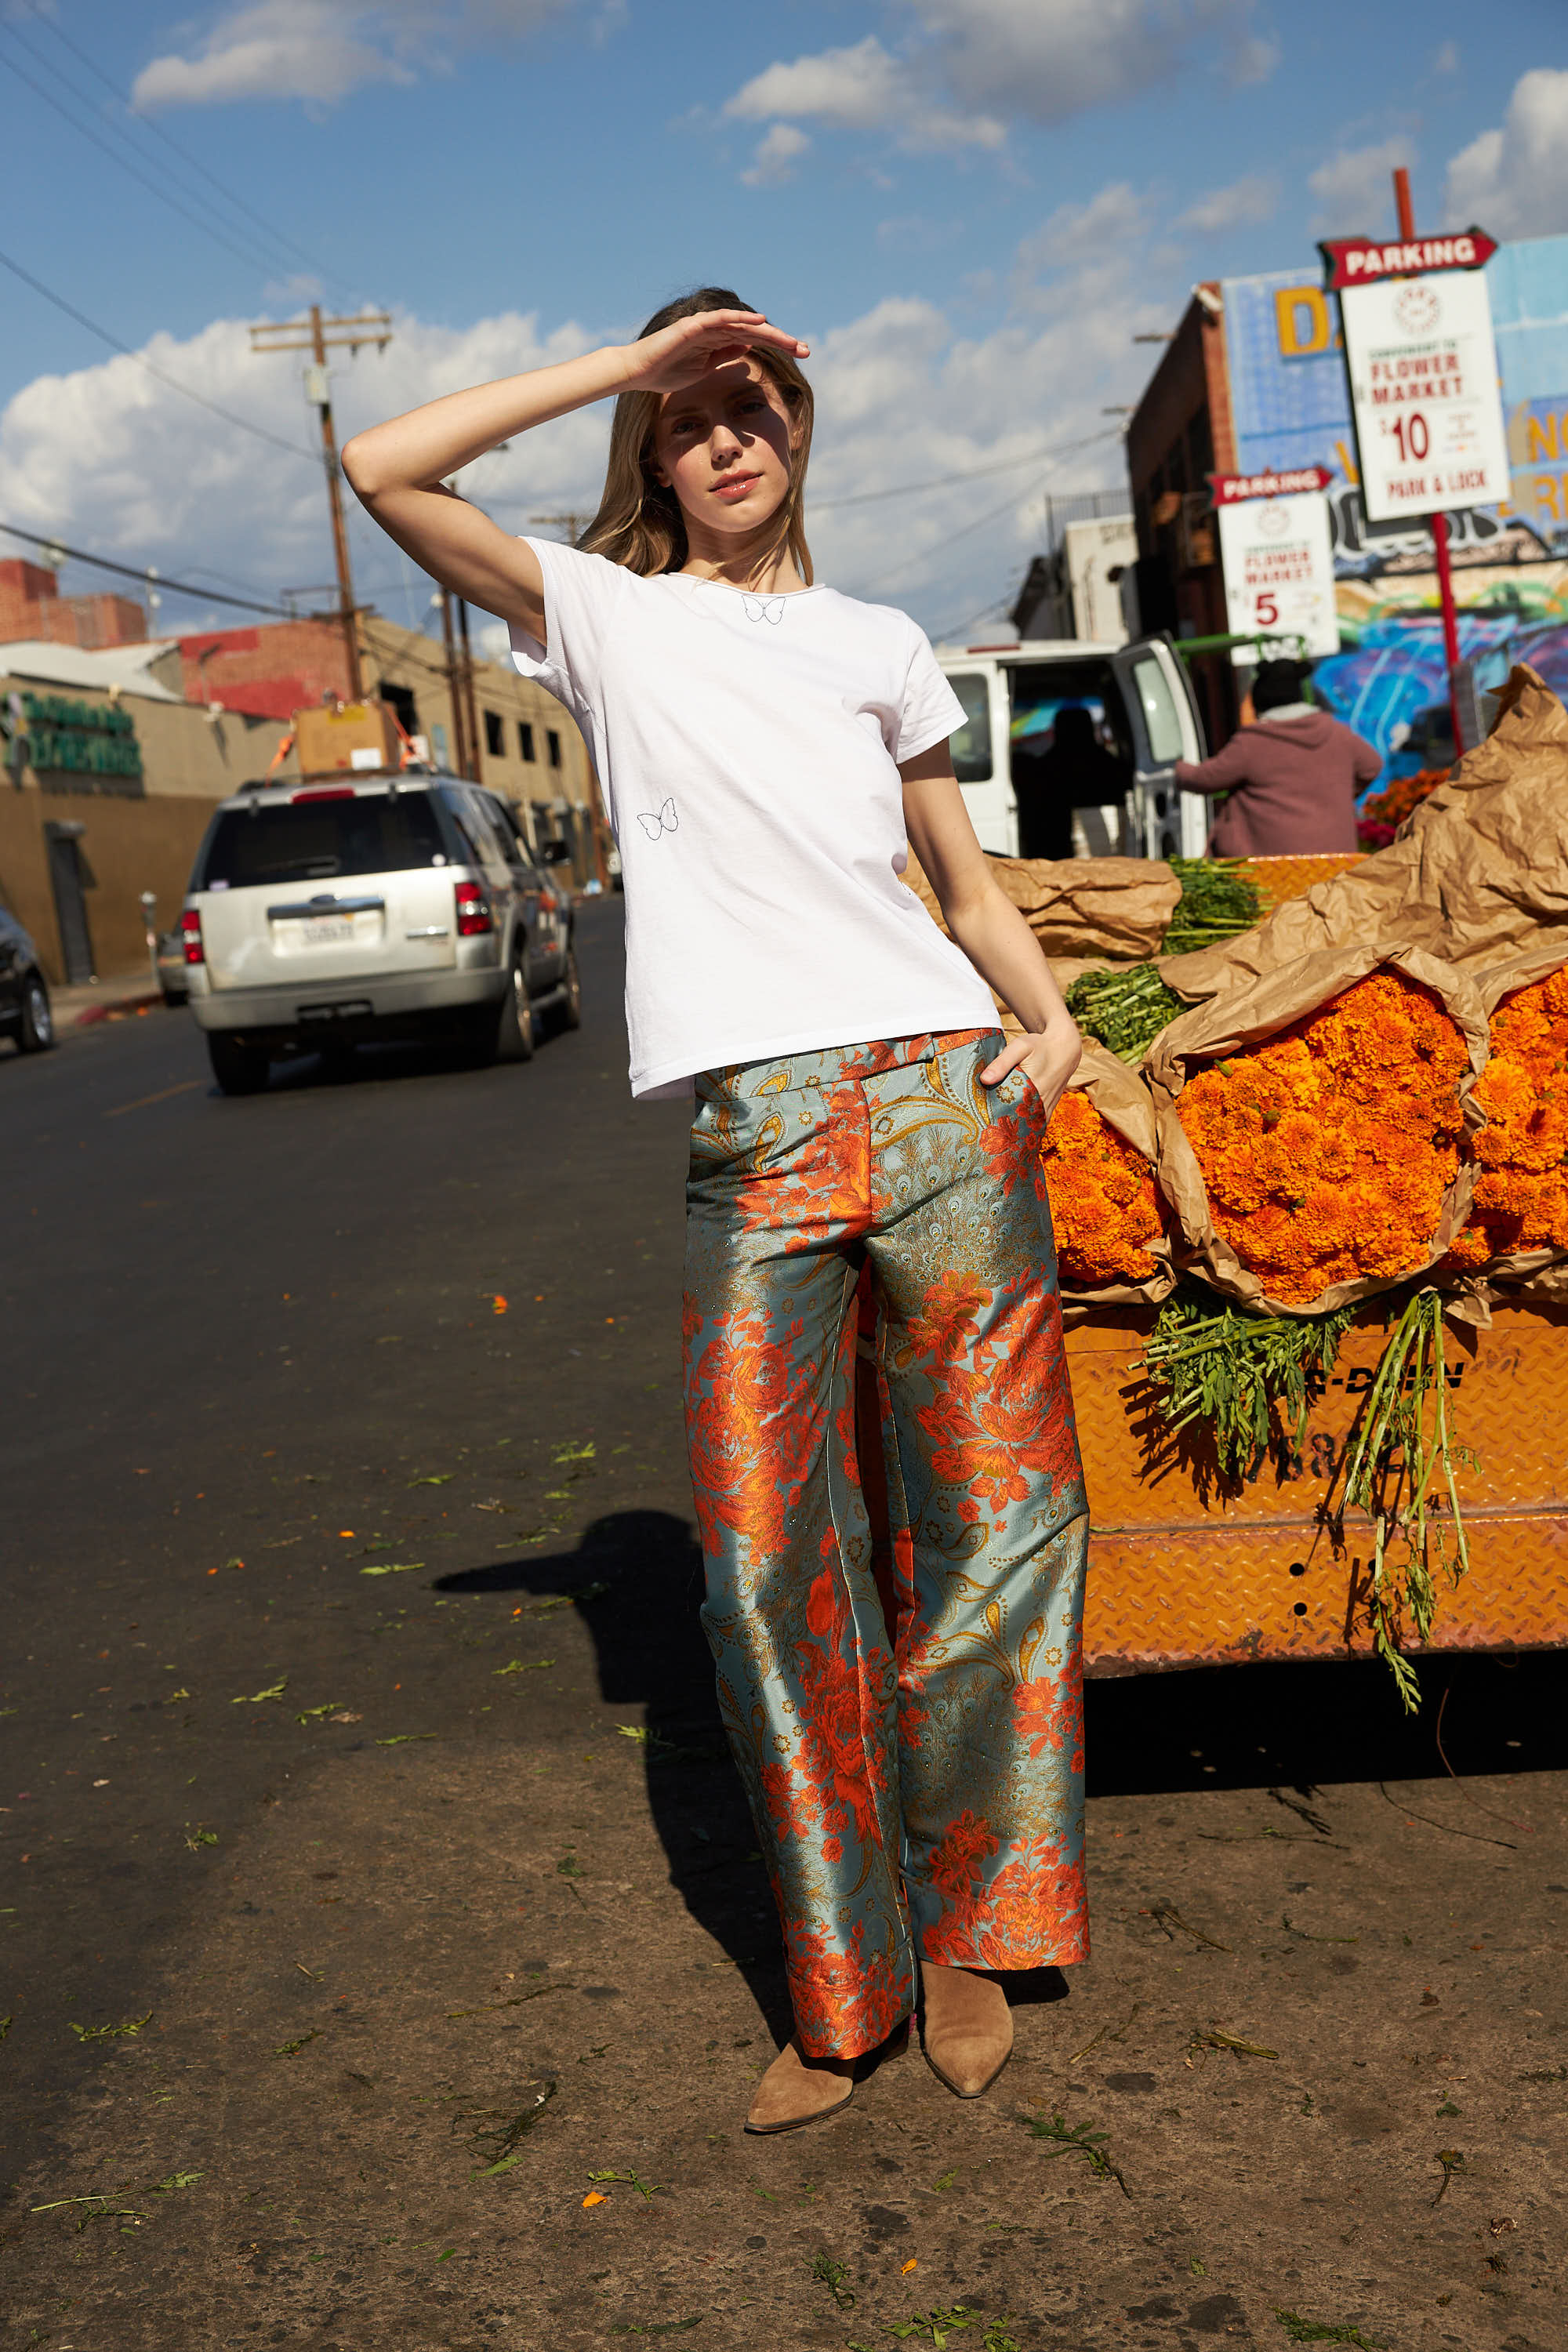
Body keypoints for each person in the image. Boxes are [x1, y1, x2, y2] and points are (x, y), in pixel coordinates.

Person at [341, 289, 1088, 2136]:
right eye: (692, 418)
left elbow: (956, 879)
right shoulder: (608, 615)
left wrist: (1046, 1014)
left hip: (936, 1091)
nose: (725, 438)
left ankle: (977, 1930)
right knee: (757, 1563)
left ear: (801, 431)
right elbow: (379, 465)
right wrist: (630, 357)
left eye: (752, 406)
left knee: (992, 1529)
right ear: (655, 450)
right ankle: (841, 1975)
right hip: (755, 1130)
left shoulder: (878, 640)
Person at [1174, 657, 1381, 855]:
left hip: (1274, 866)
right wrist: (1339, 792)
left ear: (1260, 703)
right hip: (1335, 857)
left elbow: (1206, 778)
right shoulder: (1337, 733)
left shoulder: (1253, 743)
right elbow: (1373, 765)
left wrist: (1177, 768)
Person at [1014, 704, 1131, 861]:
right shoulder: (1109, 764)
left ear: (1057, 731)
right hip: (1107, 854)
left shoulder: (1045, 767)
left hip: (1053, 851)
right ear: (1090, 728)